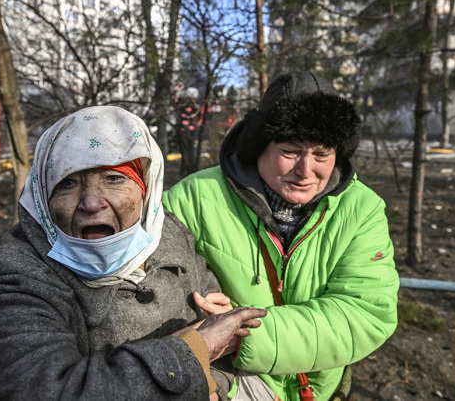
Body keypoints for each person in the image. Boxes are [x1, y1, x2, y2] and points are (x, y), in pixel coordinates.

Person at [0, 106, 267, 400]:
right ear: (44, 198)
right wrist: (195, 350)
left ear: (145, 189)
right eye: (68, 183)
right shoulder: (10, 275)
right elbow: (38, 391)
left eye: (114, 179)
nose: (92, 202)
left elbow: (222, 334)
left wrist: (215, 386)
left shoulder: (169, 235)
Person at [163, 72, 400, 401]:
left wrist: (239, 331)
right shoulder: (194, 198)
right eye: (290, 151)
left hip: (320, 389)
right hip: (231, 383)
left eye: (321, 155)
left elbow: (366, 312)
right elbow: (155, 290)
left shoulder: (362, 209)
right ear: (258, 144)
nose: (306, 170)